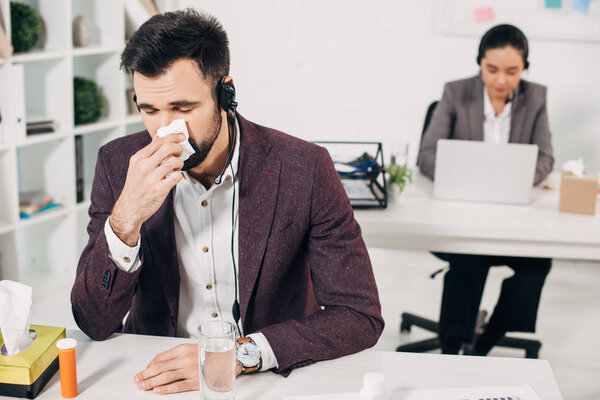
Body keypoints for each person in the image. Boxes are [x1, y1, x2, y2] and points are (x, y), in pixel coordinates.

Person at [71, 9, 383, 395]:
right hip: (157, 375)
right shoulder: (118, 165)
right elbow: (92, 321)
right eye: (149, 110)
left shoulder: (305, 168)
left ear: (226, 93)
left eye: (183, 109)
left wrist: (239, 355)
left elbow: (359, 316)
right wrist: (124, 220)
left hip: (270, 376)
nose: (166, 130)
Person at [417, 24, 553, 355]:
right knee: (470, 253)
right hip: (461, 214)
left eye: (512, 71)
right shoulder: (455, 92)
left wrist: (513, 182)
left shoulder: (535, 97)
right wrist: (462, 179)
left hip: (510, 217)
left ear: (525, 68)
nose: (501, 80)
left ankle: (484, 343)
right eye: (492, 69)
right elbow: (427, 154)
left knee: (538, 263)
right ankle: (452, 349)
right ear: (480, 63)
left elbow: (546, 157)